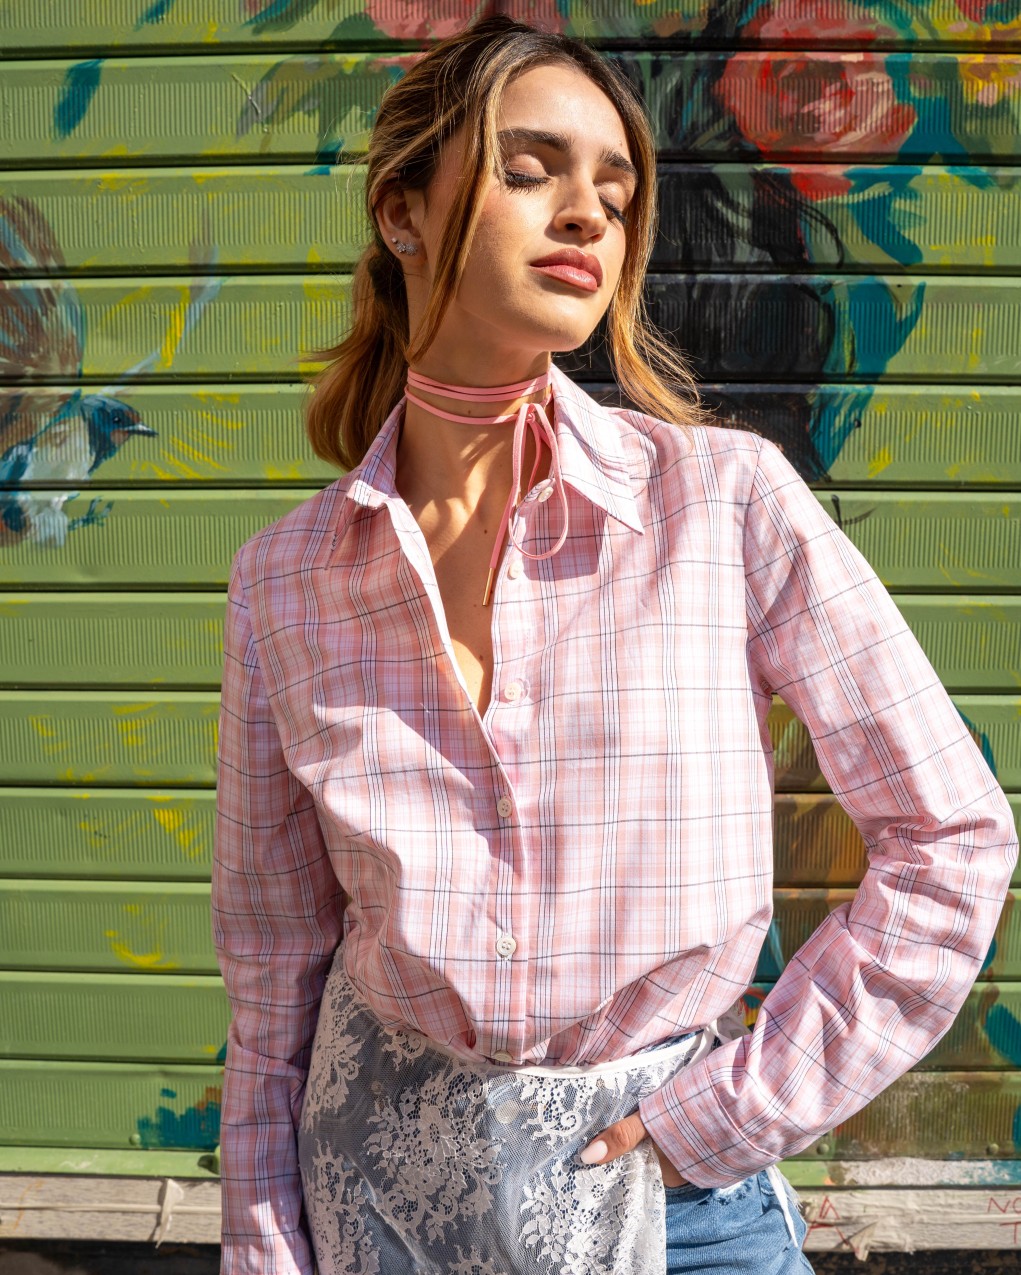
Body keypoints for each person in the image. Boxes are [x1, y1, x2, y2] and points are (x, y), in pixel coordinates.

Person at [211, 16, 1018, 1275]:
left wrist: (722, 1121)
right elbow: (274, 976)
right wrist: (263, 1248)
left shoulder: (723, 505)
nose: (587, 212)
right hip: (376, 1204)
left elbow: (951, 839)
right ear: (403, 212)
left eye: (615, 189)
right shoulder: (285, 582)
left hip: (676, 1209)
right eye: (530, 169)